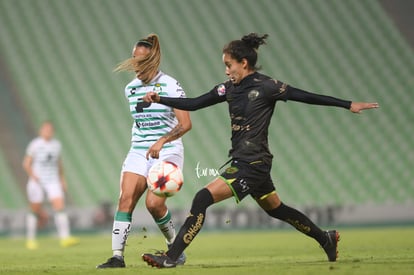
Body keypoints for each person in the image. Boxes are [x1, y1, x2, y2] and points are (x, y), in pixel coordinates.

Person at [141, 33, 379, 268]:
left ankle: (171, 257)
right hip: (251, 162)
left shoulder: (268, 87)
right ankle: (325, 238)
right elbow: (194, 103)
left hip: (252, 164)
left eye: (228, 65)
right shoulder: (228, 89)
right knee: (277, 209)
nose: (226, 71)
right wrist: (160, 99)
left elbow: (305, 96)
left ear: (243, 63)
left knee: (202, 198)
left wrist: (348, 104)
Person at [97, 34, 192, 268]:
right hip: (139, 150)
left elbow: (186, 124)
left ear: (153, 62)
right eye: (134, 60)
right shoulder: (131, 89)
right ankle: (117, 257)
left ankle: (175, 248)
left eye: (141, 62)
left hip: (168, 149)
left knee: (153, 205)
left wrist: (162, 140)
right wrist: (145, 144)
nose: (135, 66)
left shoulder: (170, 85)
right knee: (125, 200)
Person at [23, 121, 79, 249]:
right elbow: (26, 163)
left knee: (59, 206)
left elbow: (59, 164)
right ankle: (30, 240)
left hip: (53, 180)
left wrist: (62, 180)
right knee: (35, 209)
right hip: (37, 181)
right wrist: (33, 175)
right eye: (45, 129)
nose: (48, 131)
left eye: (50, 129)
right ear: (41, 131)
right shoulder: (35, 144)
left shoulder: (56, 145)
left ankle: (65, 238)